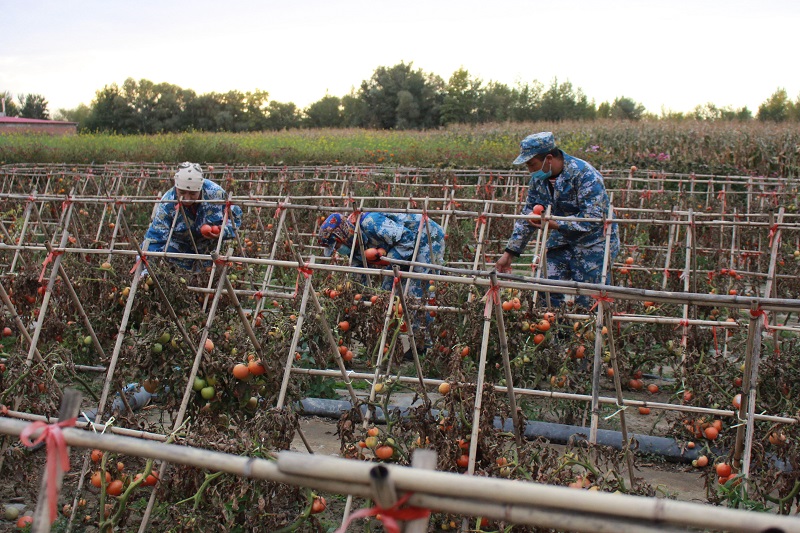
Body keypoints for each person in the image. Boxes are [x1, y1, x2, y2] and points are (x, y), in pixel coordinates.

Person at [495, 132, 619, 308]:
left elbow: (594, 217)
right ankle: (556, 332)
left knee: (589, 300)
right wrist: (510, 253)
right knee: (545, 289)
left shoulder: (585, 175)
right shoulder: (539, 181)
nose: (530, 170)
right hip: (562, 241)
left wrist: (556, 223)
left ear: (549, 158)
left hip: (594, 243)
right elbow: (529, 213)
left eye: (532, 164)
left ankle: (587, 332)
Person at [317, 211, 445, 298]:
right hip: (401, 247)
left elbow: (407, 238)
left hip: (425, 238)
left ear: (342, 234)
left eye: (337, 246)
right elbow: (359, 275)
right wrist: (358, 298)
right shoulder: (353, 246)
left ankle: (423, 333)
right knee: (390, 292)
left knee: (418, 288)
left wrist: (388, 261)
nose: (338, 250)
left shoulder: (370, 223)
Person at [142, 162, 242, 272]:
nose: (187, 198)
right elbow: (156, 237)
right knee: (178, 275)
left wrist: (222, 231)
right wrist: (148, 267)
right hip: (180, 250)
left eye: (193, 193)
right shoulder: (167, 203)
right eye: (182, 192)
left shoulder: (216, 194)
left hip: (210, 249)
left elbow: (235, 218)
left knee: (211, 276)